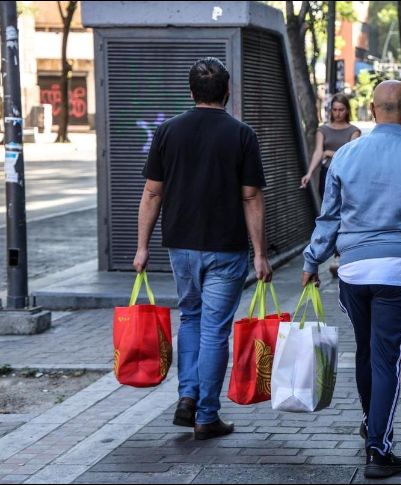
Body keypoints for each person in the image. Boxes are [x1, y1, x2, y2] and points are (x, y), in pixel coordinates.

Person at [301, 80, 401, 479]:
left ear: (372, 110)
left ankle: (372, 423)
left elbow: (330, 218)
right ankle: (379, 449)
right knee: (388, 358)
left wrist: (311, 261)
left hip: (353, 270)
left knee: (368, 351)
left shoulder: (346, 156)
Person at [133, 57, 272, 441]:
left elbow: (152, 192)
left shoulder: (167, 132)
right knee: (214, 330)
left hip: (180, 244)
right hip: (226, 247)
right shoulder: (242, 134)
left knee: (190, 319)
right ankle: (206, 415)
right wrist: (260, 253)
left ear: (191, 92)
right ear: (228, 92)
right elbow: (251, 197)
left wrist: (142, 247)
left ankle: (187, 396)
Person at [301, 94, 361, 278]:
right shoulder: (323, 130)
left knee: (344, 213)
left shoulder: (354, 131)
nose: (337, 113)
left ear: (347, 110)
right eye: (334, 110)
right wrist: (309, 173)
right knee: (328, 213)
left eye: (341, 109)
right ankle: (334, 251)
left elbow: (351, 157)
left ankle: (339, 253)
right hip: (327, 176)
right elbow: (319, 152)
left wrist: (331, 152)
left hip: (347, 178)